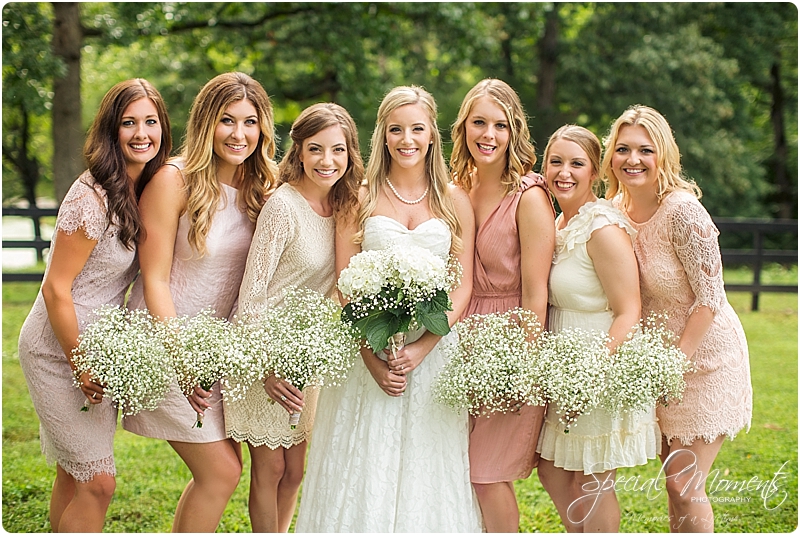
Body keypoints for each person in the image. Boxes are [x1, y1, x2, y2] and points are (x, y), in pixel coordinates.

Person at [295, 86, 483, 532]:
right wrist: (373, 356)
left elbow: (463, 286)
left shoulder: (456, 200)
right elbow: (345, 286)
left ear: (433, 134)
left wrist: (423, 348)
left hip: (434, 358)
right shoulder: (357, 198)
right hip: (366, 358)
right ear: (382, 134)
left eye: (417, 128)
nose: (407, 139)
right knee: (364, 460)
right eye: (396, 129)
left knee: (428, 464)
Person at [121, 72, 279, 532]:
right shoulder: (174, 180)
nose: (239, 133)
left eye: (250, 122)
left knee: (224, 471)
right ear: (207, 122)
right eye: (227, 120)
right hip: (163, 340)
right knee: (223, 471)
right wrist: (184, 357)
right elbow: (154, 280)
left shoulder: (260, 187)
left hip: (217, 353)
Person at [17, 79, 171, 532]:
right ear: (111, 130)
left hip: (101, 349)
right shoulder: (92, 198)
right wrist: (81, 364)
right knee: (99, 482)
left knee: (75, 471)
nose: (141, 133)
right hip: (58, 349)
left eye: (150, 122)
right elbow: (55, 290)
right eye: (128, 123)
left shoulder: (144, 188)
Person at [603, 105, 752, 532]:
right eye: (624, 149)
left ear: (663, 155)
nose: (633, 160)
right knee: (676, 486)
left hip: (705, 360)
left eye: (645, 150)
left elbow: (710, 298)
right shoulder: (615, 209)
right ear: (611, 155)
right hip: (659, 365)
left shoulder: (683, 212)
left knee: (685, 485)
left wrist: (673, 366)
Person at [223, 102, 364, 532]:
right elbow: (252, 294)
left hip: (310, 356)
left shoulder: (345, 207)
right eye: (316, 149)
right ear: (298, 151)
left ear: (349, 154)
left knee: (297, 470)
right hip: (264, 355)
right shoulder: (283, 206)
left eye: (337, 150)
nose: (327, 161)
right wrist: (265, 367)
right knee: (269, 470)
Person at [536, 125, 660, 532]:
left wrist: (588, 376)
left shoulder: (602, 227)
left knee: (591, 480)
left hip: (599, 366)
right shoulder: (558, 223)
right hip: (564, 366)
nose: (564, 172)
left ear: (595, 173)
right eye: (556, 162)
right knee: (554, 472)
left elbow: (629, 310)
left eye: (577, 163)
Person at [450, 78, 555, 532]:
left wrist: (517, 366)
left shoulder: (529, 197)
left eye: (499, 125)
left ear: (514, 132)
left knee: (486, 476)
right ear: (463, 128)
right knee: (456, 471)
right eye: (479, 123)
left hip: (510, 343)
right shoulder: (456, 187)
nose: (487, 135)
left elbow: (536, 296)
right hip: (457, 340)